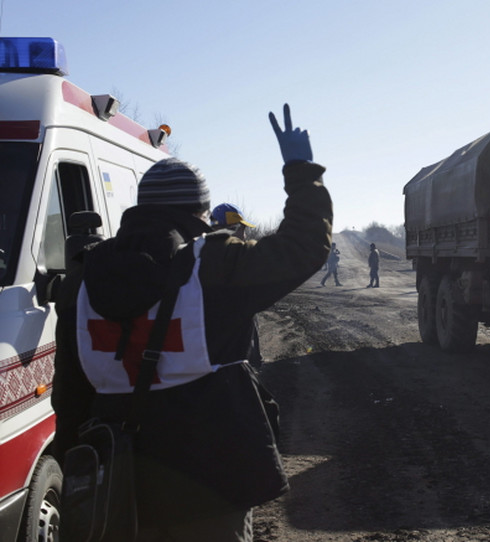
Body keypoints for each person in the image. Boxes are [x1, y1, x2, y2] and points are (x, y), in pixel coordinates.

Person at [52, 104, 332, 541]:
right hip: (211, 485)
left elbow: (69, 394)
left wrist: (77, 466)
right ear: (199, 212)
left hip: (118, 483)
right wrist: (301, 172)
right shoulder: (214, 267)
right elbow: (305, 246)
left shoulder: (82, 278)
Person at [210, 202, 263, 369]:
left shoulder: (198, 259)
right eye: (242, 230)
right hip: (234, 367)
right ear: (231, 230)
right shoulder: (235, 263)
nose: (245, 236)